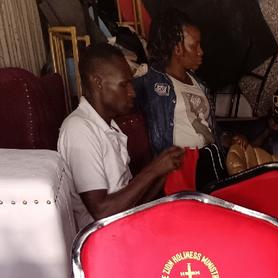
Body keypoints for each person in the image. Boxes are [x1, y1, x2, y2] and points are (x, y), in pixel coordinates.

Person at [58, 43, 184, 229]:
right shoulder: (79, 129)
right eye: (124, 84)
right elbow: (102, 211)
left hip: (124, 229)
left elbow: (132, 204)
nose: (132, 92)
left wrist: (164, 172)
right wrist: (154, 170)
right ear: (98, 82)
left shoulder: (109, 126)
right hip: (102, 239)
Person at [135, 8, 232, 188]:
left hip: (210, 159)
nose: (201, 52)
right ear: (177, 48)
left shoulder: (199, 83)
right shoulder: (150, 82)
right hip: (182, 169)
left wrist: (226, 137)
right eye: (195, 46)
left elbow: (207, 125)